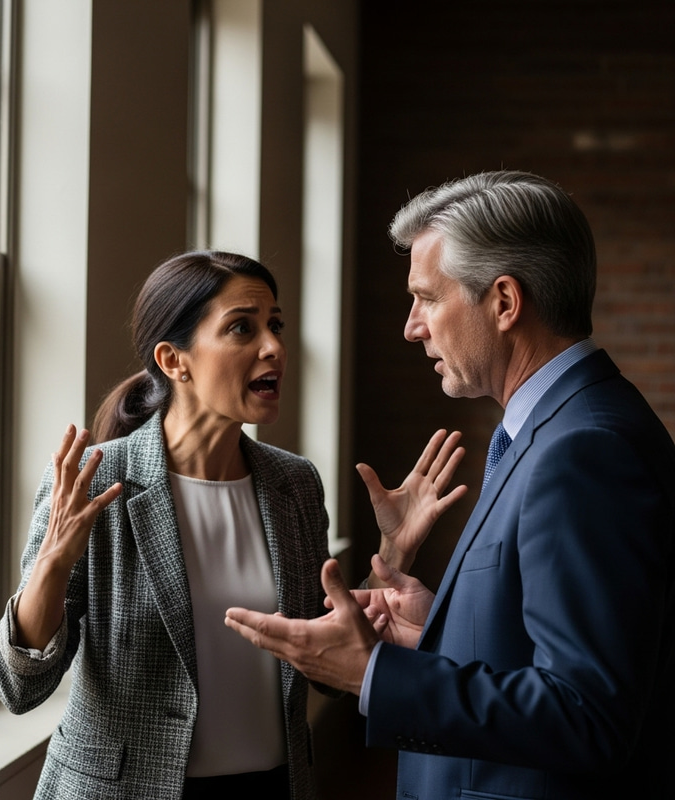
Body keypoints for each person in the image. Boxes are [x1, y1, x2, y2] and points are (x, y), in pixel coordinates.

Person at [225, 170, 675, 799]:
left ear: (505, 302)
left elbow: (588, 715)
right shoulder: (558, 428)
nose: (412, 327)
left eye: (427, 298)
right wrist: (443, 628)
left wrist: (372, 674)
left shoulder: (584, 450)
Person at [0, 250, 336, 800]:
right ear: (175, 360)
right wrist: (52, 562)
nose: (273, 346)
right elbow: (19, 687)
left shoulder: (295, 483)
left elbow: (327, 662)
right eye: (242, 328)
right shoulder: (98, 480)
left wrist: (394, 552)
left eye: (275, 325)